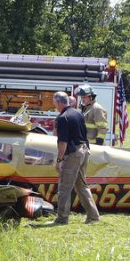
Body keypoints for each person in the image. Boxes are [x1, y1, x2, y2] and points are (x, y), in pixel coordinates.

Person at [52, 91, 99, 225]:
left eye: (55, 103)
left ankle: (62, 218)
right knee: (81, 185)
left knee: (64, 187)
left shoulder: (62, 118)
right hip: (84, 151)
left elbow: (62, 143)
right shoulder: (77, 112)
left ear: (59, 103)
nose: (54, 106)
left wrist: (59, 161)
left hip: (73, 154)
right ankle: (93, 216)